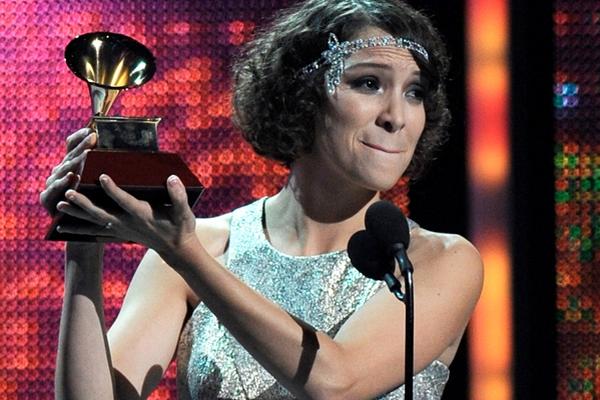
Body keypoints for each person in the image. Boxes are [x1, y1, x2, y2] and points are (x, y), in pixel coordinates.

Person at [40, 0, 483, 399]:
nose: (396, 116)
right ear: (300, 97)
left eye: (415, 92)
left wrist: (186, 254)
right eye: (369, 83)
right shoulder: (207, 246)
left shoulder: (438, 261)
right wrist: (83, 239)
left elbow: (337, 383)